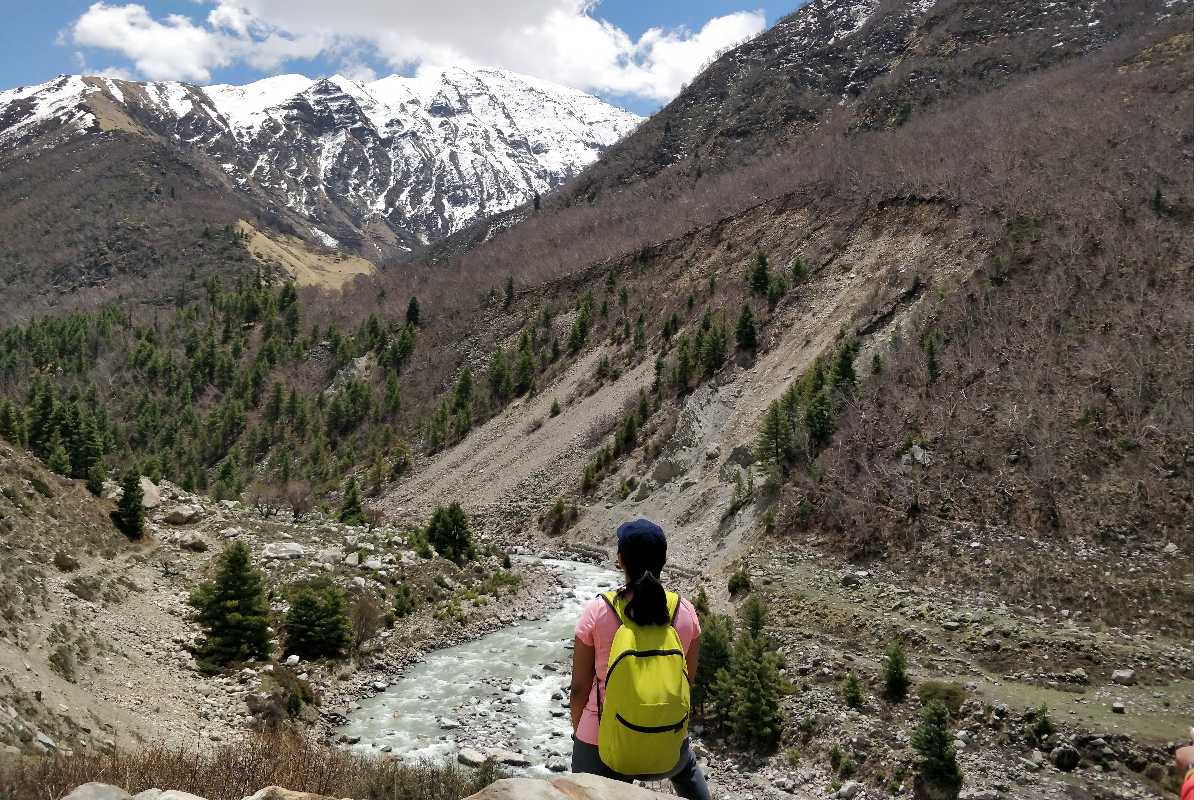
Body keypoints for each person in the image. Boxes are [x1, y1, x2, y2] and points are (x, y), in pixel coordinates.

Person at [570, 519, 711, 800]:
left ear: (620, 560)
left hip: (602, 747)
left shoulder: (598, 611)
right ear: (664, 561)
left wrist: (583, 737)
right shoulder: (684, 611)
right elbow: (686, 683)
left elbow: (578, 690)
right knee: (686, 767)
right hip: (666, 745)